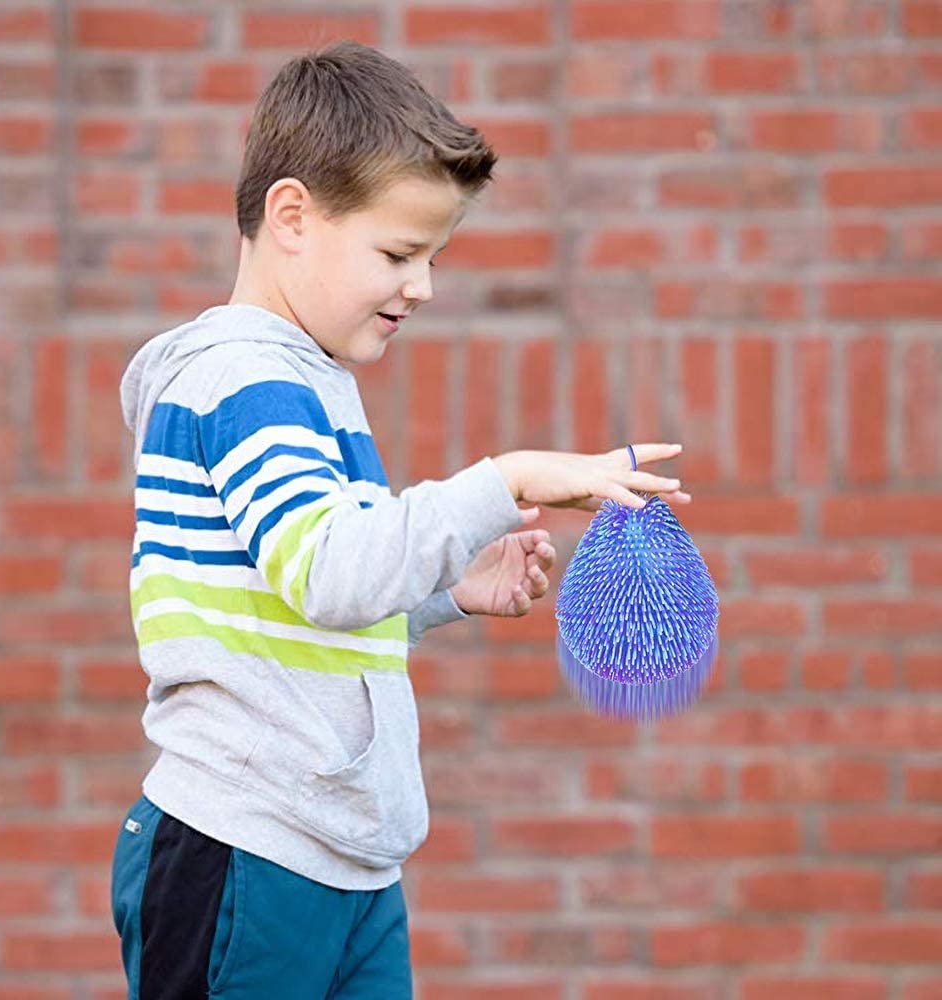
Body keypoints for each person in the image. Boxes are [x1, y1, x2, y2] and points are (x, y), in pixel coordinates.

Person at [110, 39, 690, 1000]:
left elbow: (300, 597)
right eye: (398, 252)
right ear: (291, 215)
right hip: (247, 851)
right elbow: (330, 573)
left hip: (346, 860)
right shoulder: (243, 381)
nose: (421, 285)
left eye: (433, 256)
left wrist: (440, 592)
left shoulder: (309, 383)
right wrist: (501, 478)